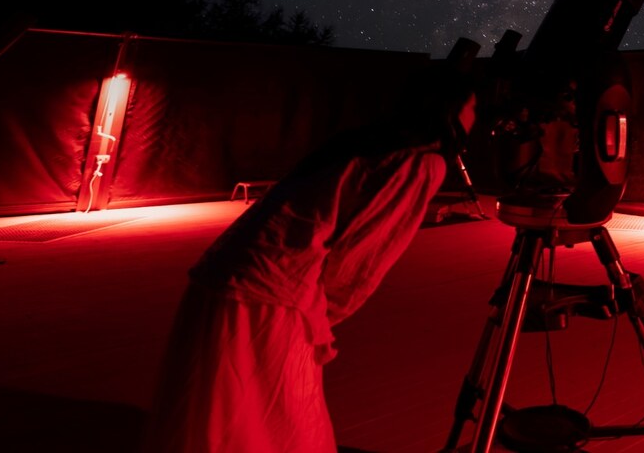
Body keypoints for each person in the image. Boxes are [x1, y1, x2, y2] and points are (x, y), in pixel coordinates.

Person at [143, 70, 476, 453]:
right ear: (449, 112)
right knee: (273, 417)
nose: (477, 115)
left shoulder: (363, 144)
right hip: (269, 296)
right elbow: (361, 258)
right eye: (473, 106)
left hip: (224, 274)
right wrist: (319, 318)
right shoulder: (419, 163)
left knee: (222, 411)